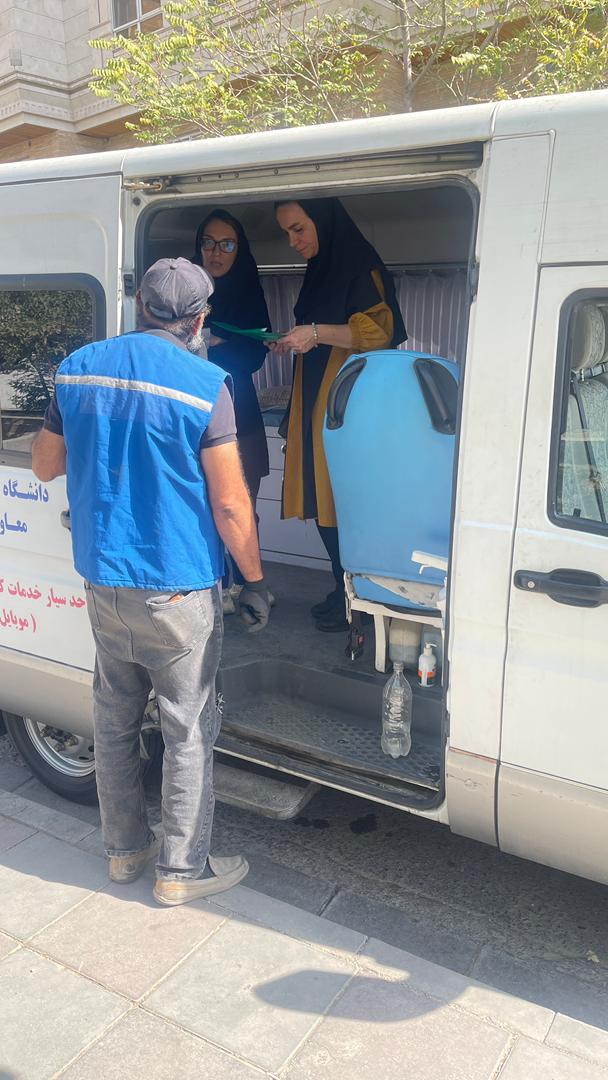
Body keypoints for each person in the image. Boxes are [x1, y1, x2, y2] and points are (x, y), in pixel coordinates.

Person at [31, 257, 273, 907]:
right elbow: (231, 505)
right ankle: (181, 872)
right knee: (187, 729)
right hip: (178, 589)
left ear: (141, 306)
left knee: (112, 721)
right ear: (199, 320)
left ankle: (124, 854)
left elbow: (45, 465)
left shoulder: (77, 369)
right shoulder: (205, 384)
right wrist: (253, 581)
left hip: (104, 583)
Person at [273, 198, 407, 631]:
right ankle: (343, 586)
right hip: (316, 397)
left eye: (298, 229)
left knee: (347, 502)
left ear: (324, 222)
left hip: (349, 407)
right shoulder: (320, 269)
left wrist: (314, 333)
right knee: (321, 497)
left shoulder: (360, 266)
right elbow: (318, 331)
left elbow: (380, 331)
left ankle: (364, 600)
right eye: (287, 233)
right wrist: (293, 339)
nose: (293, 242)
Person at [193, 209, 270, 614]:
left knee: (242, 503)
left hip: (241, 413)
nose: (216, 252)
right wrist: (214, 344)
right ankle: (214, 585)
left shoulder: (248, 291)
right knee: (203, 503)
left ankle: (247, 584)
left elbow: (255, 355)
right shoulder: (188, 292)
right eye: (208, 242)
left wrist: (216, 345)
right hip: (195, 415)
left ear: (240, 250)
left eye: (227, 244)